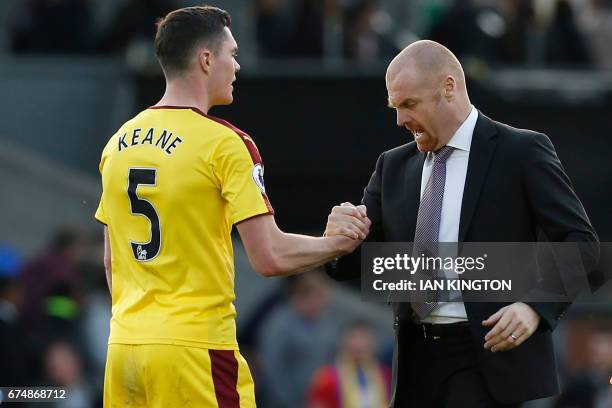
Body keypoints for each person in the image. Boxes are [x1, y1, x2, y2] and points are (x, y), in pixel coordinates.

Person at [94, 6, 370, 407]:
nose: (237, 66)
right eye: (233, 54)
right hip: (195, 349)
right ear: (206, 60)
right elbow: (269, 257)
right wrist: (337, 244)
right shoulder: (226, 143)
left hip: (124, 348)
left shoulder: (118, 141)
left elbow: (111, 261)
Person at [324, 40, 599, 407]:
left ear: (448, 87)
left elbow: (581, 242)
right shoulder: (392, 166)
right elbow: (355, 263)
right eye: (395, 107)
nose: (399, 120)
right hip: (413, 361)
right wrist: (337, 237)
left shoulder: (520, 151)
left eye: (409, 104)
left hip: (485, 355)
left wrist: (535, 307)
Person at [307, 321, 391, 408]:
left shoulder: (385, 375)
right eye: (354, 337)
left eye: (364, 338)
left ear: (374, 343)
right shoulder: (327, 377)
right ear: (343, 342)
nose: (359, 344)